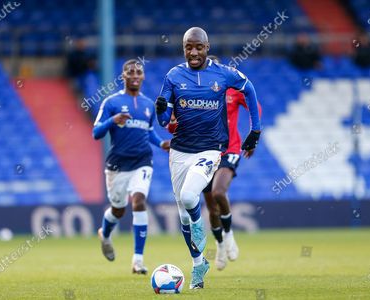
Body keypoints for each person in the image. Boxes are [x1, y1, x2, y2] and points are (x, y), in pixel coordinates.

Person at [156, 27, 261, 289]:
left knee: (195, 197)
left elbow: (250, 89)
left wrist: (255, 130)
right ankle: (198, 265)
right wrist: (161, 113)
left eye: (198, 47)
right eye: (188, 47)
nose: (193, 52)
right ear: (183, 48)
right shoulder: (173, 76)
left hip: (211, 150)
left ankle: (217, 234)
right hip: (180, 152)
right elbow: (164, 122)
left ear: (207, 47)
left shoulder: (223, 74)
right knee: (183, 214)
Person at [93, 59, 170, 274]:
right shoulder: (111, 102)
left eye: (139, 72)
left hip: (142, 161)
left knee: (138, 202)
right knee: (118, 210)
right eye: (130, 72)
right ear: (123, 76)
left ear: (143, 76)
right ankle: (105, 235)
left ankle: (137, 261)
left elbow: (148, 131)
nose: (135, 75)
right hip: (117, 164)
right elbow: (96, 132)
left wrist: (161, 143)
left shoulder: (148, 105)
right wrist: (113, 121)